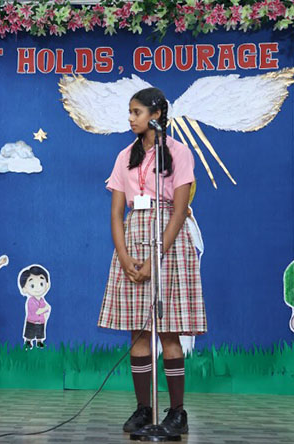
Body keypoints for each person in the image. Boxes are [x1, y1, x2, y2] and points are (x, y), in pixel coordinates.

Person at [98, 87, 207, 435]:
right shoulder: (123, 157)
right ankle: (144, 408)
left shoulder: (178, 152)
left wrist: (155, 256)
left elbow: (179, 209)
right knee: (139, 332)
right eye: (130, 112)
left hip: (168, 239)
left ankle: (176, 412)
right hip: (134, 235)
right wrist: (125, 256)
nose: (131, 118)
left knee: (169, 330)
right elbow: (117, 213)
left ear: (156, 115)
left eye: (137, 112)